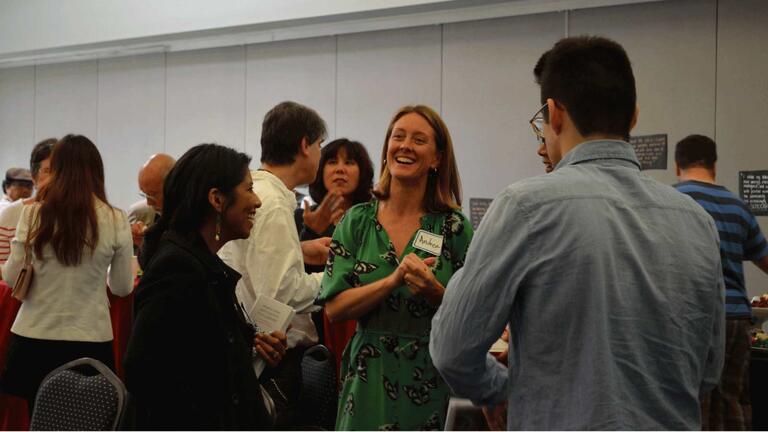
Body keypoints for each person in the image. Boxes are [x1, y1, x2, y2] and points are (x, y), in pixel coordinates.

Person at [430, 36, 725, 430]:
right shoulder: (697, 221)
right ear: (633, 116)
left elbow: (452, 348)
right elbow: (708, 369)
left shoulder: (525, 207)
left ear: (553, 114)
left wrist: (503, 388)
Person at [319, 105, 473, 430]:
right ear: (387, 149)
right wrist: (392, 281)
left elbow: (474, 313)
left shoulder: (455, 228)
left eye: (419, 140)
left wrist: (436, 293)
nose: (404, 145)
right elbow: (334, 308)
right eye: (398, 137)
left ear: (437, 159)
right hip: (367, 377)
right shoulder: (357, 222)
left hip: (430, 376)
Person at [124, 143, 283, 429]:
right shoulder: (177, 270)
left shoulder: (199, 263)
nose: (257, 201)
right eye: (248, 189)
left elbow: (199, 349)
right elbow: (145, 371)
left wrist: (249, 346)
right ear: (217, 200)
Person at [218, 101, 332, 428]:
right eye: (321, 146)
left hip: (249, 348)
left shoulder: (254, 190)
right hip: (270, 362)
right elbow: (286, 291)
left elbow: (254, 265)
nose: (321, 155)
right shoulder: (276, 204)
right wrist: (344, 276)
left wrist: (299, 248)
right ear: (304, 146)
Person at [0, 135, 134, 413]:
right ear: (97, 171)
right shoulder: (116, 218)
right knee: (83, 421)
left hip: (33, 337)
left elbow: (12, 279)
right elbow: (121, 287)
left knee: (38, 420)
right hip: (91, 339)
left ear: (56, 170)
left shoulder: (33, 214)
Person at [674, 134, 768, 430]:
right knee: (731, 400)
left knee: (691, 399)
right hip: (735, 319)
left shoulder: (671, 203)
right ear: (714, 164)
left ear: (678, 166)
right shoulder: (737, 207)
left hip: (690, 315)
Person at [295, 138, 374, 371]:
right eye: (332, 161)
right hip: (314, 330)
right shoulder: (301, 217)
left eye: (349, 162)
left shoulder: (375, 221)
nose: (340, 168)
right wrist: (310, 231)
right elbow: (292, 275)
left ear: (362, 172)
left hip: (363, 324)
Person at [0, 139, 55, 266]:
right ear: (34, 178)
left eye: (61, 171)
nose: (55, 178)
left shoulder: (82, 215)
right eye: (48, 171)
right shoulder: (9, 215)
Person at [129, 153, 175, 254]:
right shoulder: (140, 212)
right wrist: (142, 243)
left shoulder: (192, 218)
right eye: (145, 194)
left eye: (153, 195)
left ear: (174, 187)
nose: (149, 202)